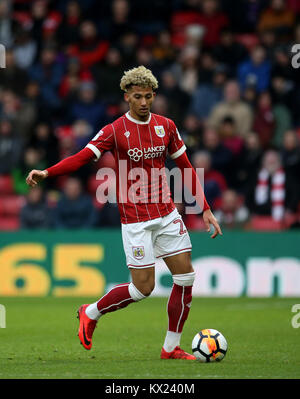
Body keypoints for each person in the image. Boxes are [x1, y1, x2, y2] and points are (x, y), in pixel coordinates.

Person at [26, 66, 222, 360]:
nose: (144, 102)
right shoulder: (114, 131)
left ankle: (171, 348)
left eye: (148, 97)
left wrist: (204, 208)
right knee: (143, 289)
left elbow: (186, 168)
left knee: (185, 278)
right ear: (127, 97)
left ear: (154, 96)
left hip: (167, 214)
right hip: (137, 221)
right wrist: (48, 172)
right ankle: (90, 312)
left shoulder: (166, 126)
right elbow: (82, 157)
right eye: (137, 97)